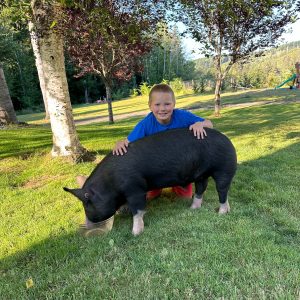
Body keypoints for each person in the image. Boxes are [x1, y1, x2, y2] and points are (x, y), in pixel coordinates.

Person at [113, 83, 213, 200]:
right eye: (157, 104)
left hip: (181, 166)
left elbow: (210, 124)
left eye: (167, 104)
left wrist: (200, 124)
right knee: (150, 196)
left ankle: (180, 186)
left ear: (174, 104)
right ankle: (156, 189)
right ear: (150, 106)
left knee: (184, 198)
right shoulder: (145, 125)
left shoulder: (182, 116)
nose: (162, 109)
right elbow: (128, 143)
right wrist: (119, 143)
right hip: (156, 168)